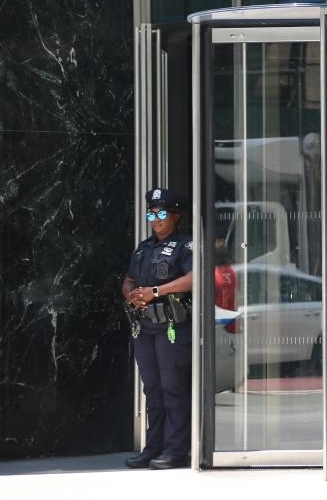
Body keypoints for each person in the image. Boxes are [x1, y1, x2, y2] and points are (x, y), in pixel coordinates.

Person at [122, 188, 193, 470]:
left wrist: (155, 291)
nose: (156, 219)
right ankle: (153, 447)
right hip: (145, 326)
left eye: (162, 213)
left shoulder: (185, 246)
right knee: (152, 389)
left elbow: (194, 278)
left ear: (176, 216)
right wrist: (132, 295)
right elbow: (129, 280)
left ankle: (176, 450)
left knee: (173, 387)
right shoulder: (143, 248)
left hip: (171, 326)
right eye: (151, 214)